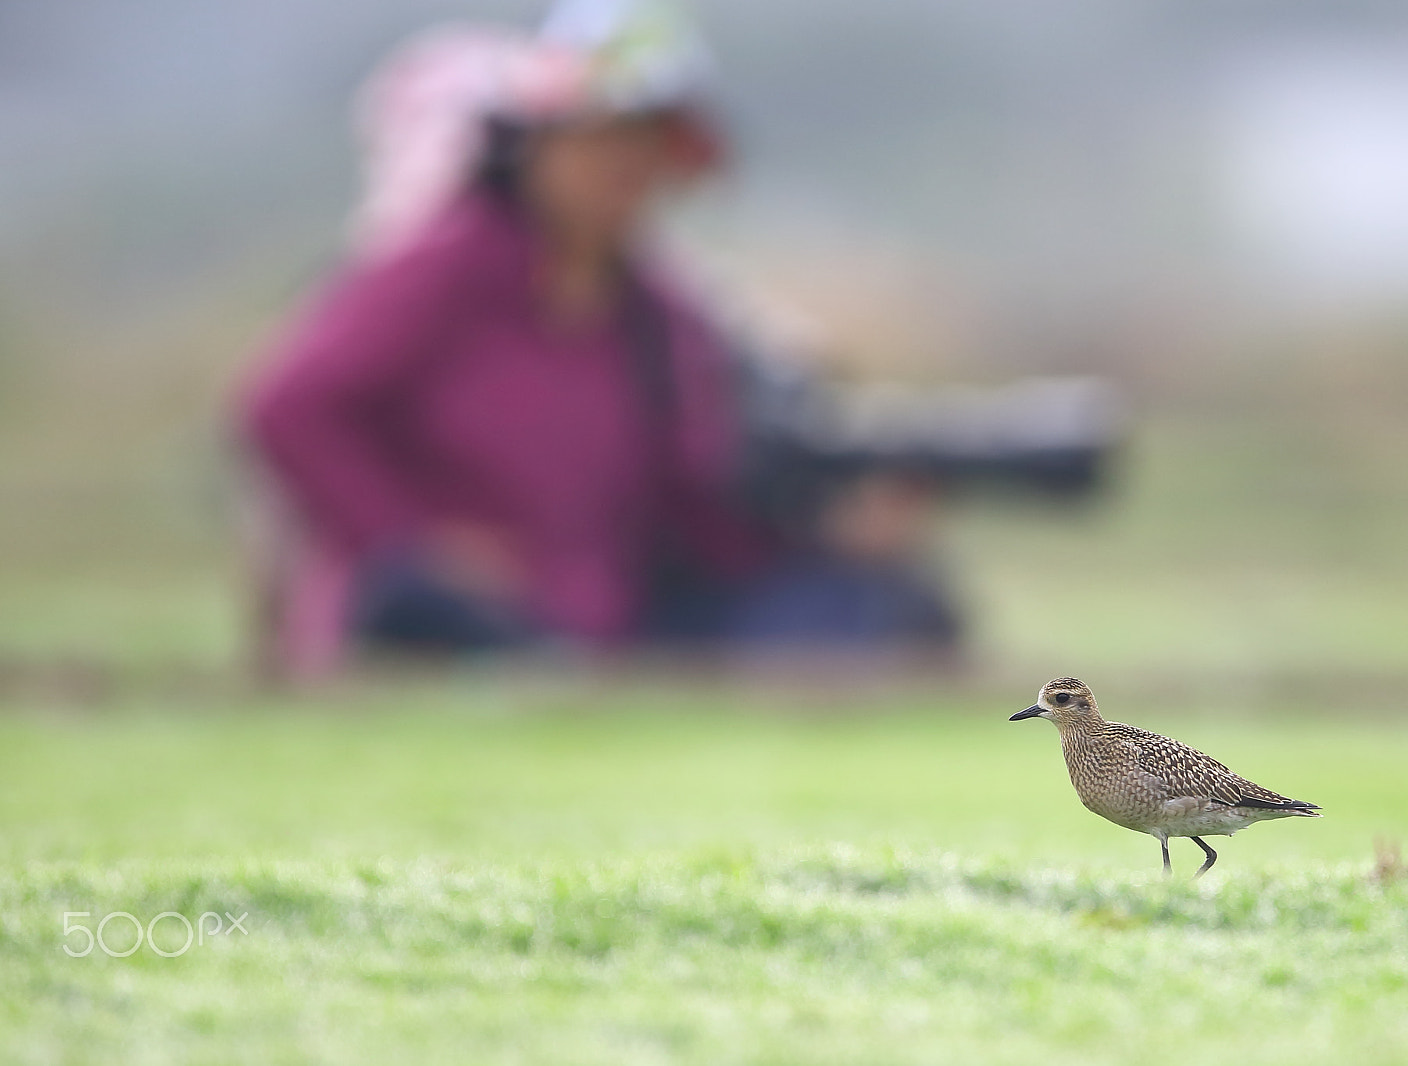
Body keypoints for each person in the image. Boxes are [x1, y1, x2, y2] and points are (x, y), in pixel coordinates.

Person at [239, 0, 958, 680]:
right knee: (429, 611)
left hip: (606, 629)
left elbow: (687, 503)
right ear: (534, 143)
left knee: (865, 605)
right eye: (599, 136)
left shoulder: (659, 312)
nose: (623, 164)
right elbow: (288, 409)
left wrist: (825, 534)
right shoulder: (446, 267)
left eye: (647, 140)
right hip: (456, 617)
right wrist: (408, 539)